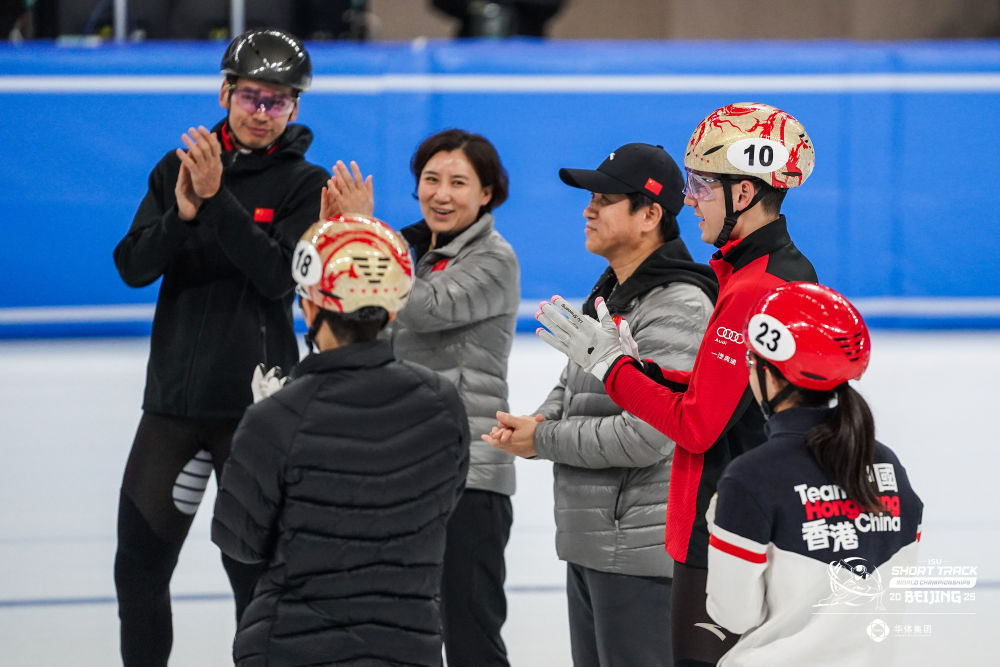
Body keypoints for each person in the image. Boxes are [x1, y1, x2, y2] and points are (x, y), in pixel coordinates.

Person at [535, 102, 819, 666]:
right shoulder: (737, 272)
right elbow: (713, 392)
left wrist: (612, 368)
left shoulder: (757, 286)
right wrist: (635, 368)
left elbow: (695, 423)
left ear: (744, 193)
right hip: (723, 524)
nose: (689, 198)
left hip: (728, 533)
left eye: (702, 184)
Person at [111, 29, 328, 666]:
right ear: (225, 92)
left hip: (256, 413)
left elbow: (277, 276)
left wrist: (215, 201)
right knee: (138, 574)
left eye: (278, 102)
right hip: (174, 408)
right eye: (252, 98)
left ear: (295, 109)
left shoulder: (304, 183)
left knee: (256, 581)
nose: (262, 113)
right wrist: (180, 216)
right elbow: (131, 266)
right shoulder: (177, 168)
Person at [483, 143, 717, 666]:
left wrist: (541, 440)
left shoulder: (678, 303)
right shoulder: (614, 294)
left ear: (650, 215)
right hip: (596, 546)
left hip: (638, 554)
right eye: (590, 197)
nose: (588, 209)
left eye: (606, 199)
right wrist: (539, 420)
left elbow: (649, 433)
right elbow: (575, 385)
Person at [211, 215, 470, 665]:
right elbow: (443, 504)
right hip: (409, 647)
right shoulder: (443, 402)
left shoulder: (274, 419)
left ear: (310, 306)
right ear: (392, 309)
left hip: (291, 645)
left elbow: (240, 542)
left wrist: (268, 423)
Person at [322, 128, 519, 666]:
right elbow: (344, 329)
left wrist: (362, 233)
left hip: (468, 477)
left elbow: (425, 306)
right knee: (400, 635)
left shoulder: (494, 259)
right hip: (398, 470)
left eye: (459, 182)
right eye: (431, 179)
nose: (441, 193)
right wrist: (334, 236)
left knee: (470, 635)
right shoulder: (407, 250)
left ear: (487, 194)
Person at [707, 281, 923, 666]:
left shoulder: (751, 478)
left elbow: (734, 616)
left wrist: (718, 521)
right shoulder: (890, 468)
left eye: (750, 361)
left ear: (769, 374)